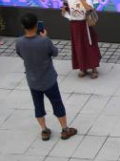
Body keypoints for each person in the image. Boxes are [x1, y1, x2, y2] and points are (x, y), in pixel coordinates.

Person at [15, 13, 77, 141]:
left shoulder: (20, 42)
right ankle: (65, 129)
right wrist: (46, 37)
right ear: (37, 25)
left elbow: (20, 54)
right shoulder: (44, 41)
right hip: (48, 79)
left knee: (38, 105)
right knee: (57, 103)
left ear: (23, 26)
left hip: (32, 80)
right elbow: (54, 52)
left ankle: (44, 130)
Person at [62, 0, 102, 79]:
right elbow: (65, 13)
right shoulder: (68, 0)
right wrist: (63, 11)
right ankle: (82, 67)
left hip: (85, 25)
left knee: (90, 45)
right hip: (75, 25)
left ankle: (93, 68)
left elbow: (89, 9)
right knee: (78, 46)